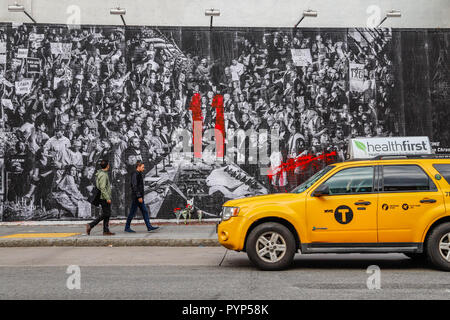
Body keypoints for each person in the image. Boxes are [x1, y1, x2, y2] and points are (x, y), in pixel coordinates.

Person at [124, 161, 159, 233]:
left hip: (138, 197)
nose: (144, 168)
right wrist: (139, 196)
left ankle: (149, 227)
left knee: (144, 211)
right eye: (143, 167)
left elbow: (139, 186)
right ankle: (127, 227)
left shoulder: (138, 174)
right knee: (133, 213)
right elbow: (134, 186)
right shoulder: (135, 174)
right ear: (138, 167)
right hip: (137, 197)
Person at [86, 159, 115, 236]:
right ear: (107, 166)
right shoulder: (103, 175)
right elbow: (102, 187)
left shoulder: (101, 173)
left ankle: (105, 230)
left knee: (107, 213)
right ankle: (91, 224)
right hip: (104, 197)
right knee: (106, 213)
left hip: (103, 196)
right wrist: (107, 198)